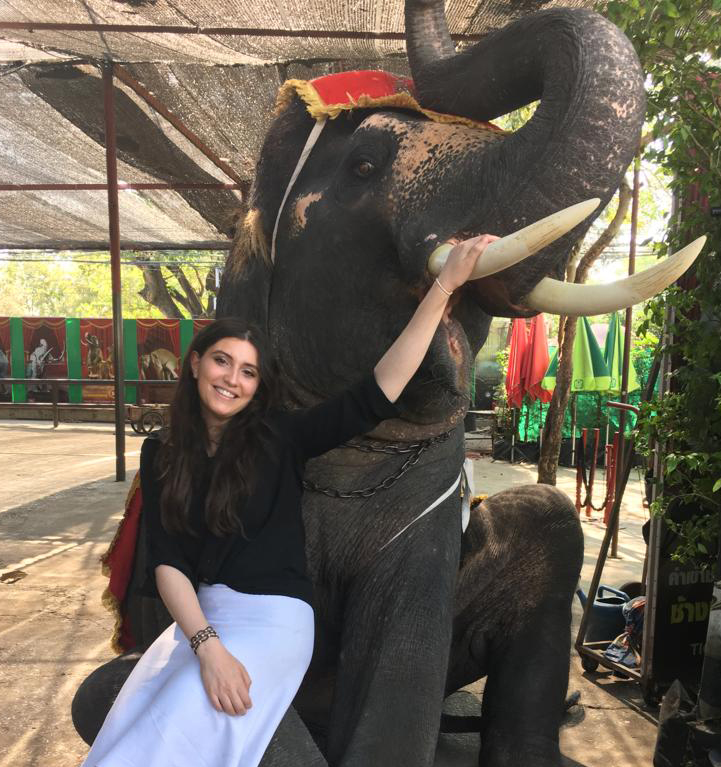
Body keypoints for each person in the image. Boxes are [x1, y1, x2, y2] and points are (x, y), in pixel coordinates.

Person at [79, 233, 498, 767]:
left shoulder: (281, 438)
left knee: (175, 730)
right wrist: (208, 647)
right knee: (134, 725)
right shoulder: (162, 453)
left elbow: (379, 390)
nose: (232, 379)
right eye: (223, 362)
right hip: (203, 620)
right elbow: (168, 562)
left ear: (257, 385)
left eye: (248, 371)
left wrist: (443, 288)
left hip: (274, 622)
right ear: (195, 364)